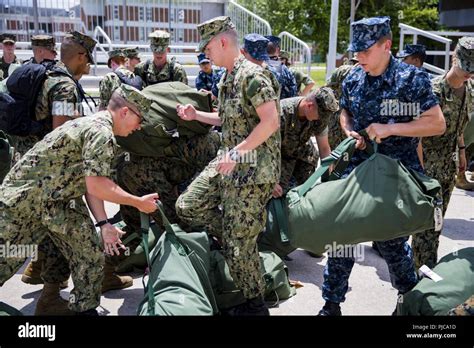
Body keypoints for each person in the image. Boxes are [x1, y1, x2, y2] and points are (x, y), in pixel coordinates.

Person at [318, 16, 445, 316]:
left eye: (365, 50)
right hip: (360, 171)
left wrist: (390, 129)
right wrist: (349, 130)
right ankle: (331, 304)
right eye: (356, 51)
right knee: (342, 236)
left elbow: (436, 124)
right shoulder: (353, 78)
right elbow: (345, 111)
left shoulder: (411, 80)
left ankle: (409, 301)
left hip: (394, 174)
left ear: (387, 45)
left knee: (391, 243)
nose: (358, 56)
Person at [0, 85, 157, 316]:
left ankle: (85, 309)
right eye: (139, 119)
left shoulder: (97, 127)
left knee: (89, 255)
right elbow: (97, 184)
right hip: (26, 201)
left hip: (59, 201)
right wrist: (138, 202)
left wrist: (104, 225)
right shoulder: (100, 132)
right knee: (6, 259)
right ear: (125, 112)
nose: (139, 126)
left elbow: (90, 182)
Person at [175, 16, 281, 315]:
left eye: (207, 48)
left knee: (239, 240)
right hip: (229, 161)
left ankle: (256, 304)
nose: (205, 54)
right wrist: (196, 115)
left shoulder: (253, 76)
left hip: (252, 170)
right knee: (187, 205)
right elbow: (226, 118)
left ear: (222, 42)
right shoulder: (227, 77)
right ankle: (240, 234)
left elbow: (270, 121)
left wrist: (236, 152)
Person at [412, 37, 474, 270]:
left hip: (448, 167)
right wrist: (420, 175)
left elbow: (459, 125)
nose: (469, 74)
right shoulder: (432, 91)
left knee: (435, 225)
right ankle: (418, 282)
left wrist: (461, 151)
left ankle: (424, 273)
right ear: (453, 58)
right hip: (426, 168)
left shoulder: (469, 90)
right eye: (465, 68)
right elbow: (415, 135)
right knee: (424, 228)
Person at [274, 87, 337, 198]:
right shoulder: (280, 113)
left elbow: (324, 148)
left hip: (304, 155)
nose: (320, 121)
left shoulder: (320, 116)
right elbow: (265, 149)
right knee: (278, 193)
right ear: (309, 106)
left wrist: (330, 177)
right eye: (320, 117)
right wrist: (271, 180)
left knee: (307, 192)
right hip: (279, 157)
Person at [264, 35, 297, 99]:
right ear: (278, 50)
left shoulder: (256, 65)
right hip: (282, 105)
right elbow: (293, 90)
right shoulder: (284, 69)